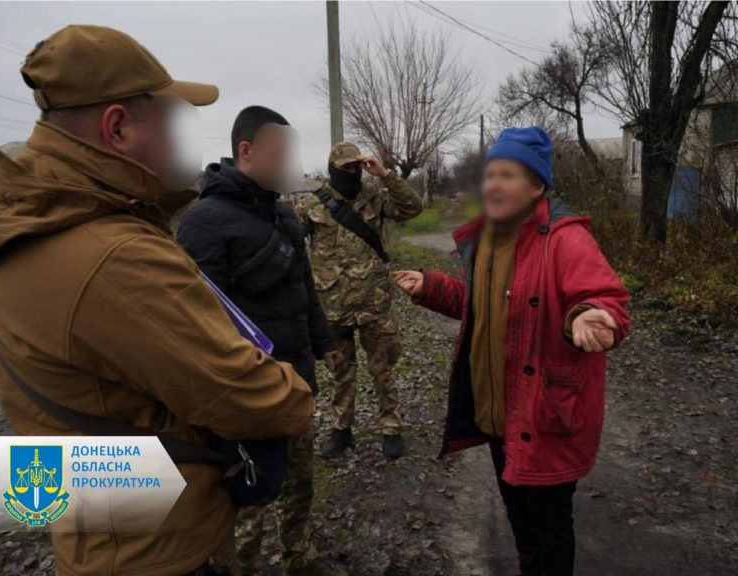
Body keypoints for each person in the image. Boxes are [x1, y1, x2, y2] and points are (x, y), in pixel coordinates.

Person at [0, 25, 314, 576]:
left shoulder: (31, 225)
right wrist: (296, 391)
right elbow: (247, 395)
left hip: (101, 530)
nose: (179, 140)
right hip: (158, 550)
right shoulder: (113, 255)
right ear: (119, 126)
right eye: (167, 120)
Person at [394, 126, 630, 576]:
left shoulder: (565, 238)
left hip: (546, 414)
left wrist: (591, 315)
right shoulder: (489, 239)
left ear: (537, 185)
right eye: (489, 175)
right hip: (500, 409)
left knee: (549, 527)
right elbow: (480, 307)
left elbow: (606, 297)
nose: (493, 186)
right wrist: (433, 287)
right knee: (520, 519)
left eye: (507, 175)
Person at [177, 106, 346, 576]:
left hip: (297, 380)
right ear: (246, 151)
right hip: (245, 397)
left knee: (300, 483)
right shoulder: (203, 224)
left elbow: (305, 290)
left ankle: (301, 556)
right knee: (248, 499)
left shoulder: (285, 216)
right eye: (280, 151)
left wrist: (324, 342)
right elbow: (200, 324)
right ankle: (243, 567)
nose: (288, 161)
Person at [296, 142, 423, 460]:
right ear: (332, 170)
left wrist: (386, 175)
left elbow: (411, 209)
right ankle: (341, 429)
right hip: (333, 307)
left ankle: (391, 428)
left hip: (374, 303)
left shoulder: (376, 196)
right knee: (341, 373)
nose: (352, 173)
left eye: (356, 167)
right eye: (345, 169)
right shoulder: (312, 205)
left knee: (383, 370)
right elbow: (287, 238)